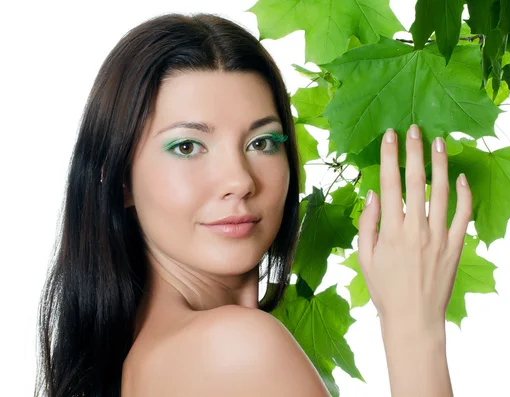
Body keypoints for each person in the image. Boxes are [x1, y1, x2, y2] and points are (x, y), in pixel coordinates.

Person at [34, 12, 472, 397]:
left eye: (262, 142)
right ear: (121, 181)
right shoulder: (238, 349)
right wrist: (414, 328)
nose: (240, 181)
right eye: (188, 147)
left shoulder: (140, 361)